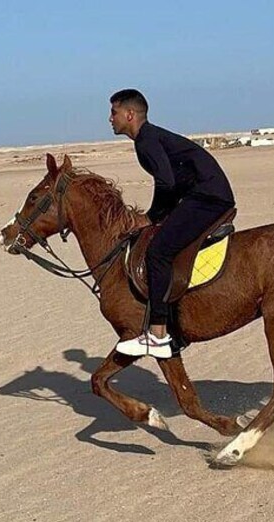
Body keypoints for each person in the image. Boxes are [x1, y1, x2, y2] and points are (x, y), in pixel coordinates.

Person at [109, 88, 235, 359]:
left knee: (158, 252)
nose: (110, 118)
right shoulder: (149, 138)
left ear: (130, 114)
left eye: (114, 112)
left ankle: (157, 335)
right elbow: (174, 181)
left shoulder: (146, 140)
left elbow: (166, 181)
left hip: (208, 197)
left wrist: (152, 216)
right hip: (200, 195)